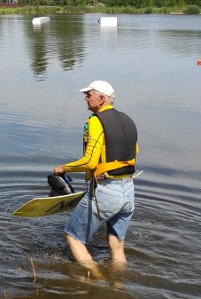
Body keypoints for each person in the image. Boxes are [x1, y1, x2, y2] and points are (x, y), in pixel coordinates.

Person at [54, 80, 138, 265]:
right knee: (116, 247)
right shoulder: (128, 120)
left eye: (88, 95)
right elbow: (134, 151)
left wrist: (64, 168)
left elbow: (90, 162)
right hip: (128, 192)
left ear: (101, 98)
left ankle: (97, 281)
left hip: (106, 191)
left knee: (73, 236)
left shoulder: (96, 121)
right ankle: (117, 287)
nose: (86, 99)